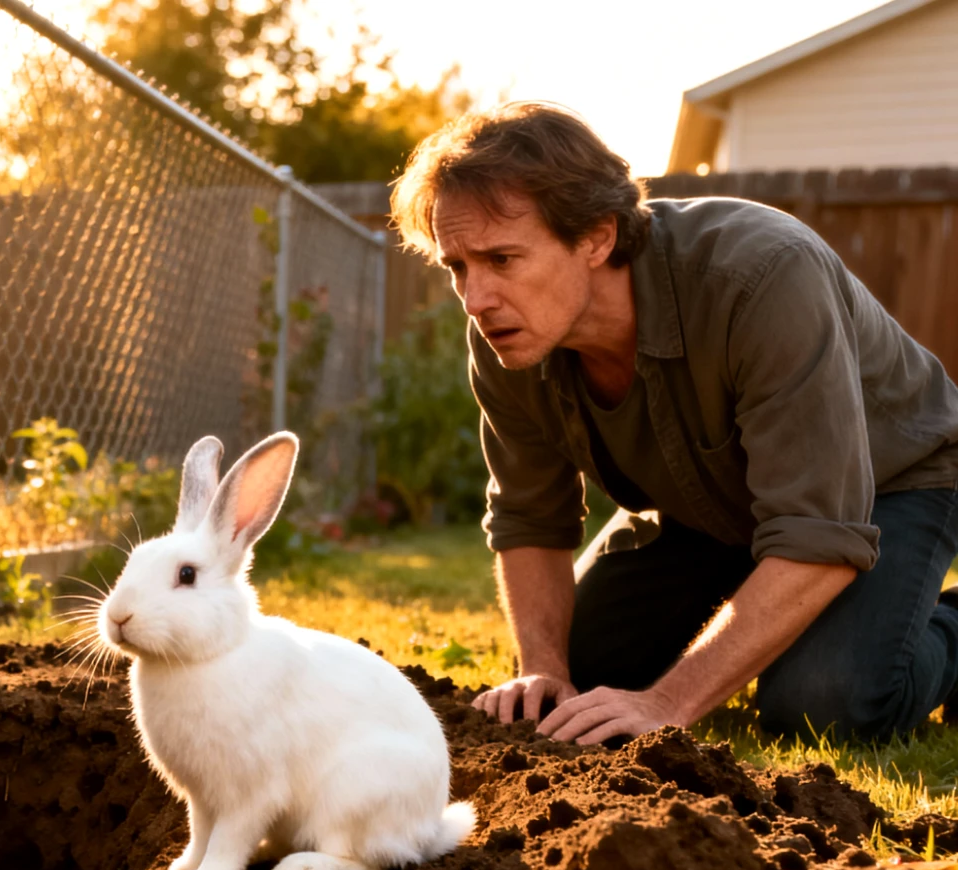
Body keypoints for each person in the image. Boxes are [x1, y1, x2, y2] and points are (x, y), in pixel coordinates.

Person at [389, 102, 958, 744]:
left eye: (502, 259)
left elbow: (819, 532)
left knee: (822, 705)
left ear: (597, 237)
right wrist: (543, 668)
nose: (476, 298)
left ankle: (945, 627)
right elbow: (529, 515)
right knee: (578, 679)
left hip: (891, 484)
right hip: (705, 508)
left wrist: (669, 701)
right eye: (457, 266)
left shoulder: (764, 276)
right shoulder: (510, 333)